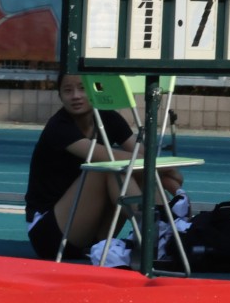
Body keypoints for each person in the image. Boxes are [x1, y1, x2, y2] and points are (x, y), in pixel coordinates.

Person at [24, 73, 184, 260]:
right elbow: (114, 157)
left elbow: (142, 154)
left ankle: (164, 224)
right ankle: (154, 227)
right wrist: (169, 170)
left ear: (95, 90)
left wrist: (173, 184)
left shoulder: (108, 118)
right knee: (108, 168)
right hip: (50, 234)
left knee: (133, 170)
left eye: (82, 88)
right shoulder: (59, 127)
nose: (75, 96)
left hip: (92, 234)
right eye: (68, 91)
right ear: (59, 95)